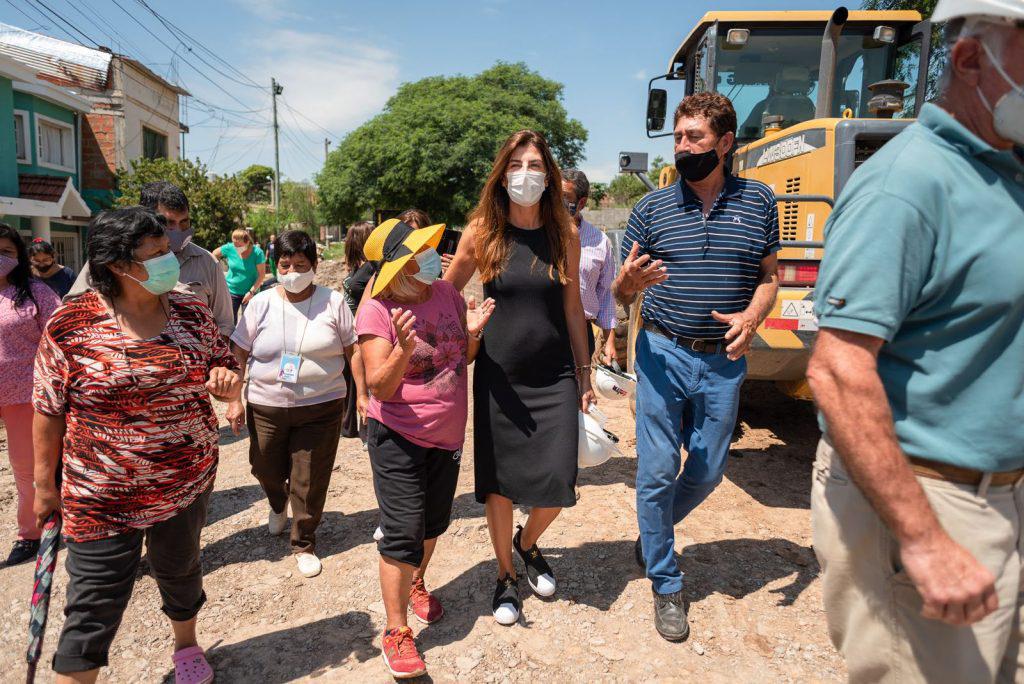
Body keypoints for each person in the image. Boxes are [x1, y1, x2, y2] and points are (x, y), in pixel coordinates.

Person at [806, 4, 1024, 681]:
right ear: (970, 62)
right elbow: (838, 370)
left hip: (1001, 492)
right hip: (930, 498)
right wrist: (924, 540)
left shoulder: (1003, 177)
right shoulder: (906, 186)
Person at [32, 207, 241, 683]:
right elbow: (47, 409)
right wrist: (45, 487)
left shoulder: (189, 310)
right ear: (116, 266)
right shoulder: (71, 326)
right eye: (156, 255)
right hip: (100, 498)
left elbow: (221, 366)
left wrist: (227, 383)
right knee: (89, 612)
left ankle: (186, 646)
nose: (170, 260)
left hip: (184, 486)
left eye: (168, 249)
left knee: (181, 573)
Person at [614, 92, 779, 642]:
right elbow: (620, 289)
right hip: (662, 353)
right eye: (679, 137)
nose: (683, 147)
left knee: (707, 471)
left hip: (725, 361)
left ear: (725, 143)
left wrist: (753, 315)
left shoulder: (759, 202)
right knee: (657, 471)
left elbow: (770, 277)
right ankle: (664, 580)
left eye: (695, 138)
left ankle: (652, 531)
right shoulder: (651, 209)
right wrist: (626, 288)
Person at [445, 129, 595, 626]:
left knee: (559, 481)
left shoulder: (565, 235)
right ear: (501, 175)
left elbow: (573, 310)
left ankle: (526, 543)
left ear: (549, 175)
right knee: (500, 486)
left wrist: (584, 370)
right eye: (515, 165)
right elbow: (444, 296)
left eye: (534, 165)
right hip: (499, 379)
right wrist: (456, 331)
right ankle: (505, 576)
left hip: (554, 377)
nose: (524, 175)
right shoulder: (481, 232)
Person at [357, 217, 494, 678]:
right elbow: (379, 386)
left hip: (447, 436)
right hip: (397, 435)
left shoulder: (447, 294)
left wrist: (473, 331)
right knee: (402, 529)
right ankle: (396, 630)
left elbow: (463, 357)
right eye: (421, 251)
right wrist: (402, 349)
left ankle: (417, 580)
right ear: (399, 265)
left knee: (433, 523)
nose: (434, 256)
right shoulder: (377, 309)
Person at [229, 230, 360, 579]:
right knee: (264, 465)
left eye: (300, 265)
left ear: (314, 266)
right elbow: (239, 351)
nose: (292, 272)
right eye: (285, 265)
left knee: (309, 477)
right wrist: (233, 398)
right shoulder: (260, 303)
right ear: (275, 266)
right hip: (266, 405)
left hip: (322, 406)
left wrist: (365, 393)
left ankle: (304, 541)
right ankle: (276, 501)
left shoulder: (332, 302)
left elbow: (353, 350)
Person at [67, 181, 235, 337]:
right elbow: (74, 312)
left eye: (184, 222)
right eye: (169, 222)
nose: (178, 230)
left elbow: (224, 324)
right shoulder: (113, 260)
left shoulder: (206, 262)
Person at [0, 224, 60, 566]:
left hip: (28, 395)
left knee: (27, 467)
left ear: (20, 256)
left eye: (6, 252)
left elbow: (59, 339)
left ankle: (30, 533)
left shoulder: (36, 293)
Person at [561, 169, 618, 364]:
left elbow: (606, 296)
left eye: (565, 197)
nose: (556, 201)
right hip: (544, 326)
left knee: (578, 389)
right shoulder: (538, 234)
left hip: (580, 331)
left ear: (581, 203)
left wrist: (610, 342)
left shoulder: (600, 242)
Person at [341, 220, 375, 441]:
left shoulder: (372, 267)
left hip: (359, 330)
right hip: (348, 329)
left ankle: (364, 426)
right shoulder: (359, 266)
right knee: (350, 379)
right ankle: (349, 425)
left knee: (360, 379)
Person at [213, 228, 266, 322]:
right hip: (231, 291)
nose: (237, 248)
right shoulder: (229, 248)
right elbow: (213, 255)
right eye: (235, 245)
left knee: (249, 323)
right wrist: (217, 272)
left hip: (250, 293)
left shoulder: (257, 253)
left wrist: (251, 292)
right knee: (230, 322)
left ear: (248, 242)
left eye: (239, 246)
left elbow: (261, 275)